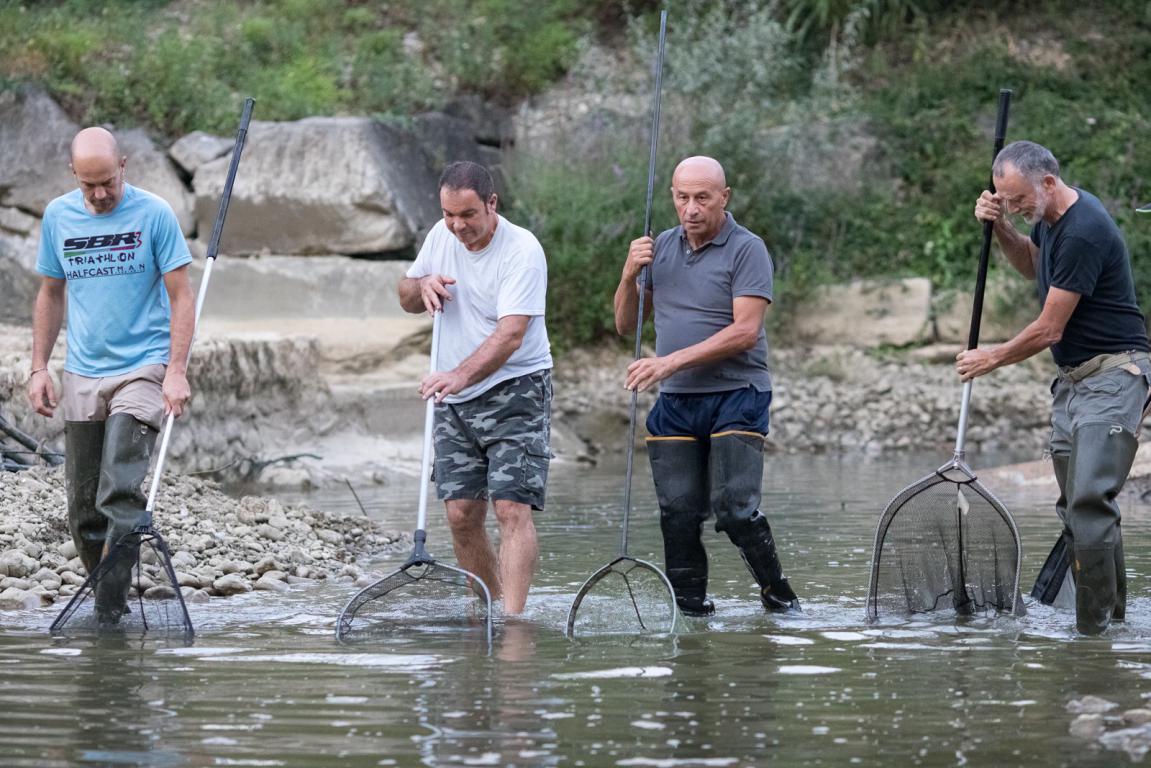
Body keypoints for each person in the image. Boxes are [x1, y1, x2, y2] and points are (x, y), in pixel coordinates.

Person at [960, 140, 1151, 635]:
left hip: (1115, 375)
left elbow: (1049, 328)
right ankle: (1112, 622)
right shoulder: (1049, 220)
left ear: (1048, 182)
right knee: (1078, 508)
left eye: (1018, 200)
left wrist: (992, 356)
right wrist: (1000, 226)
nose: (1016, 208)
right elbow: (1033, 266)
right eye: (1006, 200)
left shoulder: (1084, 229)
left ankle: (1090, 638)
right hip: (1072, 383)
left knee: (1088, 500)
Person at [614, 155, 800, 617]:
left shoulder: (747, 248)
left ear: (724, 197)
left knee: (734, 510)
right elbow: (626, 326)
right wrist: (628, 276)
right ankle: (691, 610)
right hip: (676, 400)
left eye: (702, 197)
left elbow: (746, 332)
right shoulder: (659, 249)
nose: (691, 208)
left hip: (738, 393)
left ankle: (779, 594)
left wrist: (669, 361)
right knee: (677, 515)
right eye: (682, 198)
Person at [26, 127, 194, 624]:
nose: (100, 195)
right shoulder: (59, 216)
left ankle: (105, 615)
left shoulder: (154, 214)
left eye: (108, 183)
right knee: (84, 512)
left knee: (119, 492)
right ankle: (109, 599)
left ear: (123, 165)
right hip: (81, 371)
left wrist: (176, 370)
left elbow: (182, 296)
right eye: (88, 185)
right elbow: (50, 293)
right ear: (73, 175)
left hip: (142, 369)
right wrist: (39, 366)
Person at [398, 160, 553, 616]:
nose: (457, 226)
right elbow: (406, 295)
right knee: (461, 515)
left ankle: (513, 623)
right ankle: (486, 608)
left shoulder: (522, 250)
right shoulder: (439, 235)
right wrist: (422, 282)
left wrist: (457, 376)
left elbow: (511, 334)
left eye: (467, 215)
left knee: (510, 507)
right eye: (449, 214)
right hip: (454, 398)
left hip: (516, 388)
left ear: (491, 204)